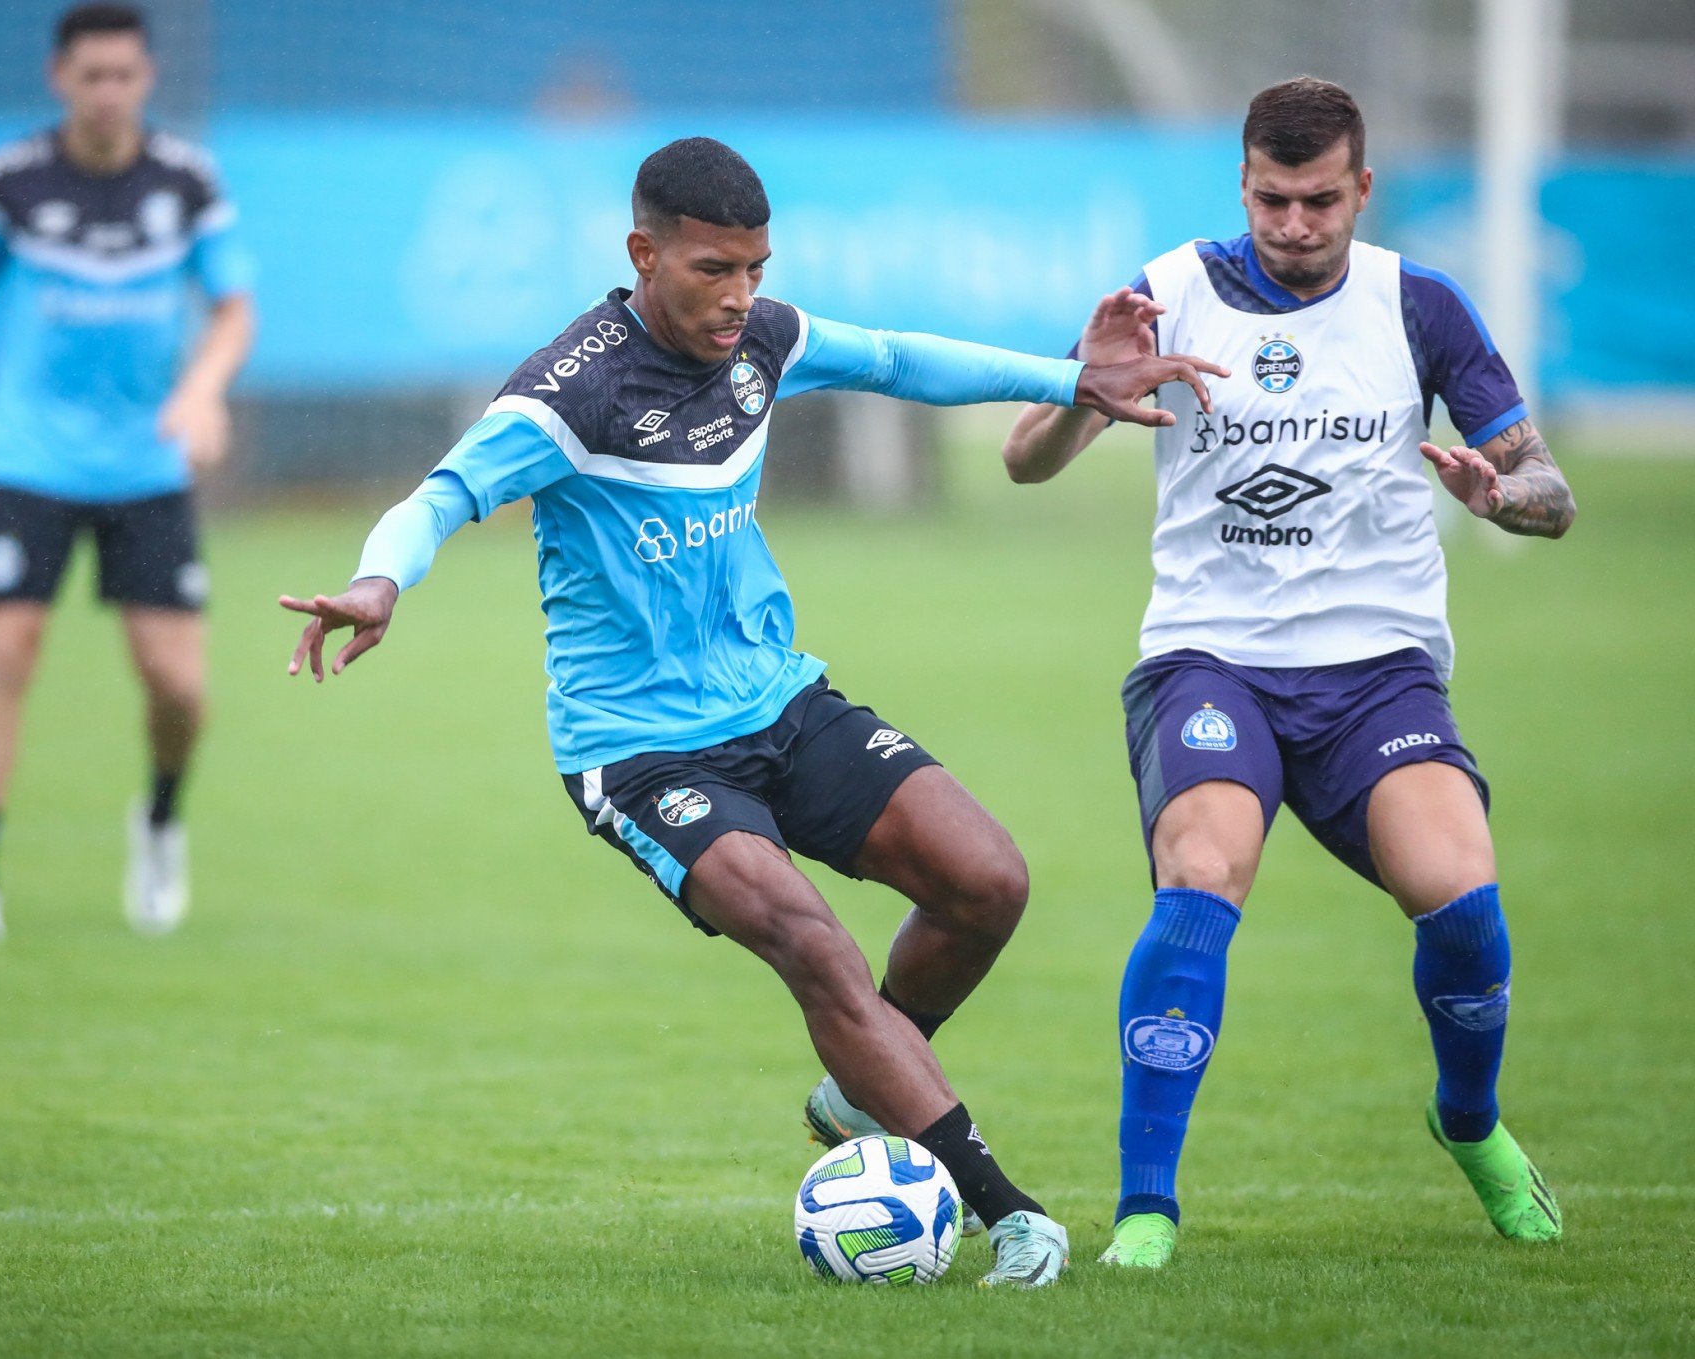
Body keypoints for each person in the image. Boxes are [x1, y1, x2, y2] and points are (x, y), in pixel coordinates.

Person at [281, 136, 1221, 1288]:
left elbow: (893, 358)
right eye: (713, 269)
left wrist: (1067, 378)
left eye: (756, 270)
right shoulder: (568, 393)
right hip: (638, 752)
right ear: (644, 253)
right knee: (809, 938)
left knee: (987, 883)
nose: (739, 299)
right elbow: (435, 498)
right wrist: (380, 582)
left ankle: (857, 1085)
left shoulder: (762, 343)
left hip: (778, 699)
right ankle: (1006, 1213)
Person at [1001, 76, 1575, 1269]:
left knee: (1464, 901)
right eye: (1273, 199)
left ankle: (1468, 1122)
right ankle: (1148, 1209)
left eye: (1321, 201)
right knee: (1203, 870)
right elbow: (1025, 460)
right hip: (1211, 659)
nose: (1297, 224)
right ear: (1245, 186)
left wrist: (1498, 492)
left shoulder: (1419, 304)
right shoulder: (1163, 295)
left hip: (1377, 672)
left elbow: (1553, 496)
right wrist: (1089, 393)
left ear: (1362, 189)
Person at [0, 2, 255, 942]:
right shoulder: (11, 181)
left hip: (146, 465)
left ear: (146, 80)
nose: (107, 92)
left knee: (177, 685)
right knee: (7, 652)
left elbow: (234, 309)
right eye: (91, 76)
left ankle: (160, 820)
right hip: (33, 458)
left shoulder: (186, 181)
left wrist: (202, 390)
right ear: (60, 79)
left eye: (124, 75)